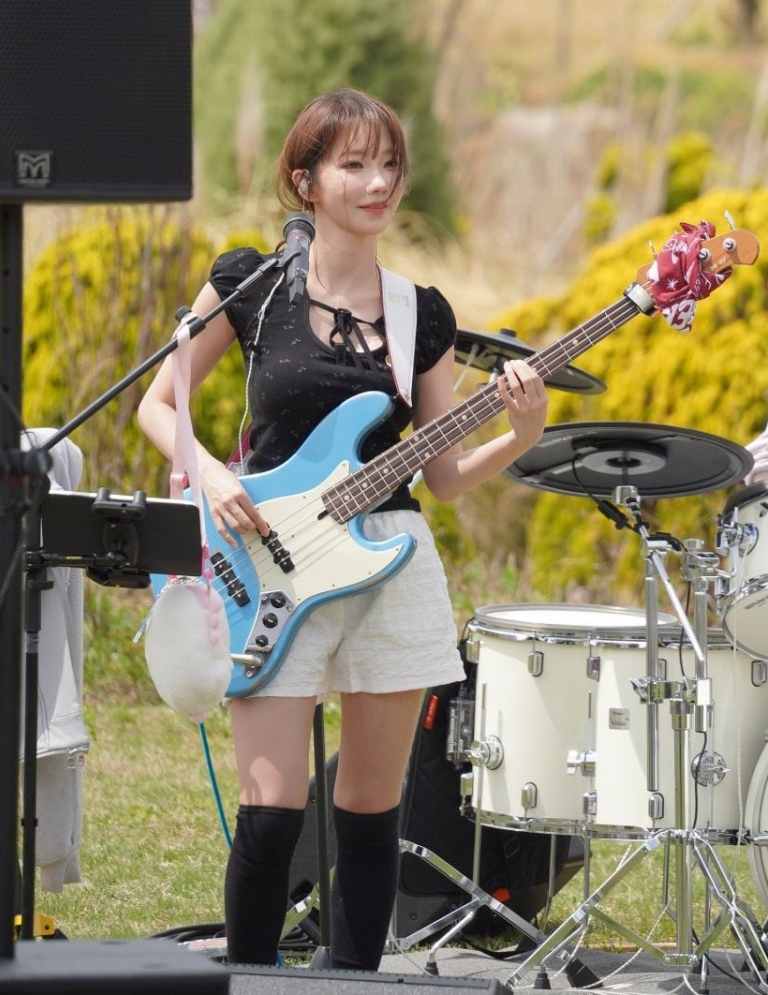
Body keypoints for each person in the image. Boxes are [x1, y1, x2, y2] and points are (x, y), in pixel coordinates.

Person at [137, 88, 548, 970]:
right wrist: (211, 472)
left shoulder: (420, 312)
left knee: (370, 811)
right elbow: (157, 404)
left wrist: (520, 435)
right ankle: (251, 982)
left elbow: (442, 476)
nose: (378, 182)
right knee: (272, 809)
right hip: (266, 559)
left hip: (390, 566)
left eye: (390, 164)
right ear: (306, 179)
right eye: (355, 164)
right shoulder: (250, 283)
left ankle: (355, 984)